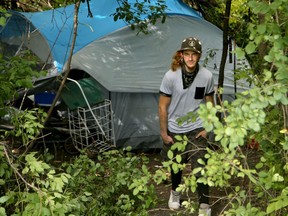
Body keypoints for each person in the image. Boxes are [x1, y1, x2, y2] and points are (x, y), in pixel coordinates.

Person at [158, 37, 214, 216]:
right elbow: (162, 106)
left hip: (197, 129)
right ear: (181, 55)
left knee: (200, 166)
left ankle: (204, 205)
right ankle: (175, 194)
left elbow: (211, 104)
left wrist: (208, 129)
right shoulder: (171, 76)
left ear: (199, 56)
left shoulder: (206, 76)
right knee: (177, 165)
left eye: (194, 54)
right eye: (187, 54)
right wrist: (164, 133)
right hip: (175, 129)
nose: (190, 58)